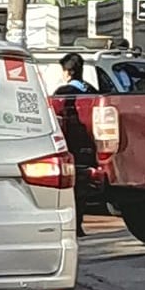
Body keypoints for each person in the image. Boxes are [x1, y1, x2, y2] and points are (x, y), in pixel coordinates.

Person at [51, 54, 93, 237]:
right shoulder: (91, 89)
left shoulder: (64, 92)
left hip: (71, 143)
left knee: (72, 186)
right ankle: (79, 225)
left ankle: (72, 226)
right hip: (90, 142)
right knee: (83, 186)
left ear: (69, 72)